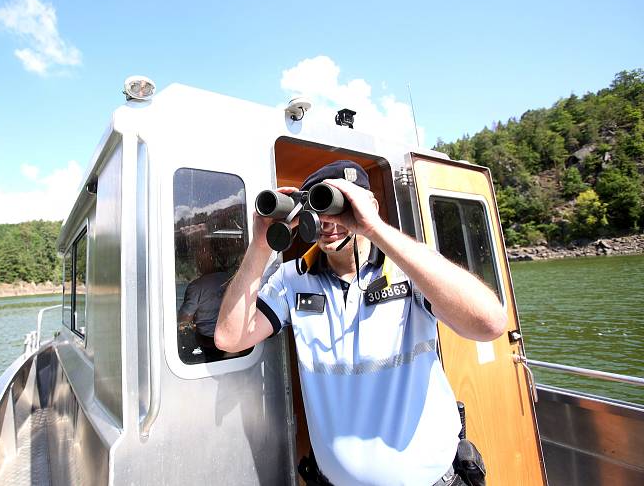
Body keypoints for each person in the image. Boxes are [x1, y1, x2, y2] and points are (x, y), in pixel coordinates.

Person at [214, 160, 506, 486]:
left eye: (340, 205)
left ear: (369, 206)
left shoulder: (408, 269)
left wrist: (374, 229)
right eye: (316, 205)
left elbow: (489, 323)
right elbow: (230, 337)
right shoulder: (292, 279)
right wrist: (260, 244)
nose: (329, 222)